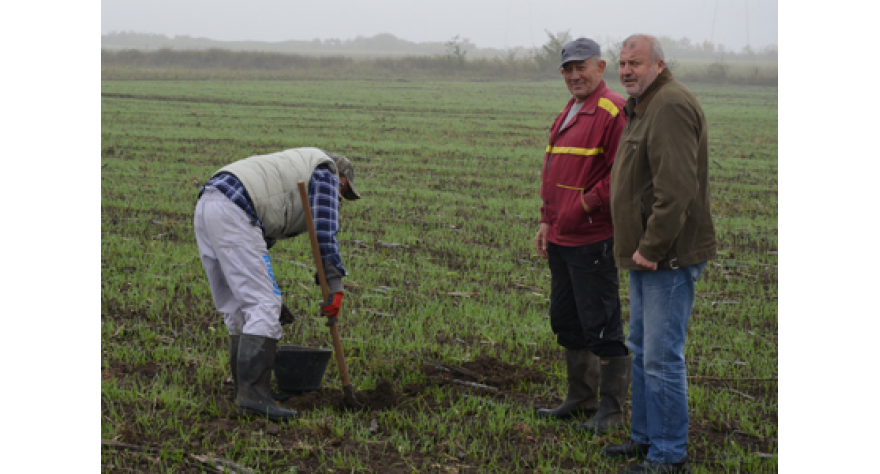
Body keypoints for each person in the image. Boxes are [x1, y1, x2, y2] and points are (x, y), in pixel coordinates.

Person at [604, 35, 717, 474]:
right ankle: (645, 438)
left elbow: (676, 190)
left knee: (662, 356)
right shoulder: (643, 106)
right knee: (642, 348)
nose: (627, 70)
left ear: (659, 64)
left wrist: (651, 248)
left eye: (636, 62)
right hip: (643, 253)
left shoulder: (668, 106)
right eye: (622, 63)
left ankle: (669, 455)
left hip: (665, 256)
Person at [193, 147, 361, 421]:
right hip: (234, 208)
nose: (340, 199)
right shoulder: (326, 173)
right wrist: (335, 285)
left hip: (210, 202)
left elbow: (258, 241)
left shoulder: (299, 167)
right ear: (341, 179)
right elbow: (324, 231)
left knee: (238, 306)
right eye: (344, 192)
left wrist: (259, 280)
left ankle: (246, 388)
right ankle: (254, 394)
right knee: (264, 304)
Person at [533, 37, 631, 434]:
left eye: (582, 68)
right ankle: (579, 398)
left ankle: (610, 410)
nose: (574, 75)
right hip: (560, 235)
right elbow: (554, 172)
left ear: (600, 68)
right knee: (567, 320)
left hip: (592, 237)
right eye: (568, 69)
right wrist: (546, 219)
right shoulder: (570, 111)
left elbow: (621, 176)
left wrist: (584, 206)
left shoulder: (613, 111)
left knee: (602, 323)